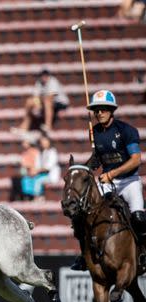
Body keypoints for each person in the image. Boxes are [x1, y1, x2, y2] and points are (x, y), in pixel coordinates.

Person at [70, 90, 144, 270]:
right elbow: (97, 159)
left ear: (112, 110)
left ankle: (142, 253)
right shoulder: (94, 132)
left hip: (128, 182)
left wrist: (111, 174)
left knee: (139, 217)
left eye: (104, 109)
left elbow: (136, 159)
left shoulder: (126, 131)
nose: (99, 113)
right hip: (106, 183)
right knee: (82, 215)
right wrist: (83, 169)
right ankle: (83, 256)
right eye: (96, 110)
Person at [13, 69, 69, 135]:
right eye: (42, 76)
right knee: (29, 102)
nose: (44, 78)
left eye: (45, 76)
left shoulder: (53, 81)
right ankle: (23, 127)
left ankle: (48, 126)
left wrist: (39, 106)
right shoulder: (39, 82)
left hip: (60, 103)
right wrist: (37, 105)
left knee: (47, 101)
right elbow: (35, 96)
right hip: (46, 103)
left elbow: (51, 97)